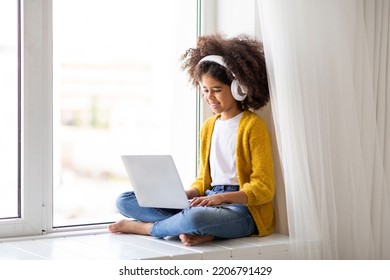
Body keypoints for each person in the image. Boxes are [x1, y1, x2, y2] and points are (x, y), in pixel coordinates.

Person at [108, 33, 275, 246]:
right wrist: (181, 195)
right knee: (125, 200)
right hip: (207, 200)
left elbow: (263, 188)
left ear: (238, 88)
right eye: (205, 90)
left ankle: (147, 229)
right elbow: (204, 181)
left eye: (217, 90)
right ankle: (200, 230)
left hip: (241, 209)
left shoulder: (253, 126)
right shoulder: (208, 127)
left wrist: (221, 198)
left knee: (195, 217)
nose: (209, 97)